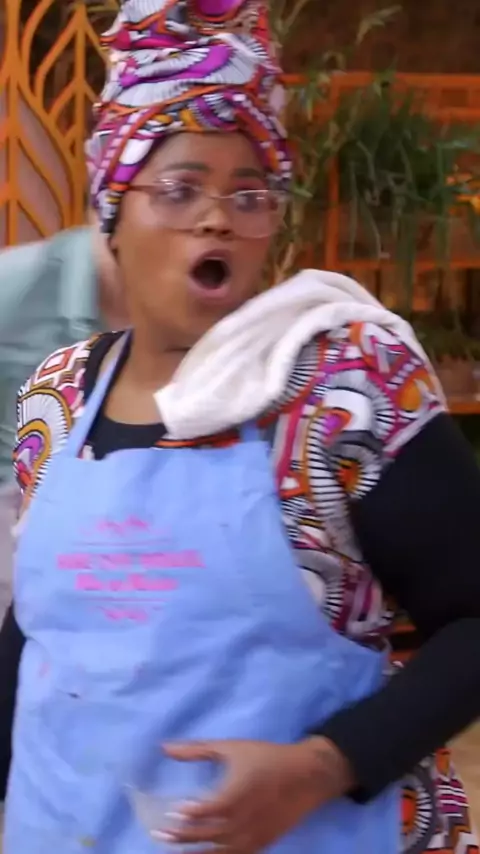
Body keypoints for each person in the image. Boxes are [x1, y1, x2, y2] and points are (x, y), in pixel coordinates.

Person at [2, 1, 480, 852]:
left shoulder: (345, 388)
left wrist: (324, 766)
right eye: (179, 188)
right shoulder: (58, 397)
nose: (217, 217)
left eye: (249, 194)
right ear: (113, 213)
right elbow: (42, 626)